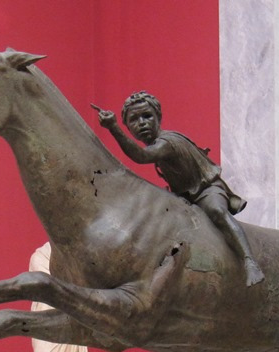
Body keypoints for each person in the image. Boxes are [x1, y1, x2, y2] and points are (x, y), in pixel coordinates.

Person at [93, 92, 264, 286]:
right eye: (134, 119)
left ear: (158, 117)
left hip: (205, 191)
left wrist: (113, 128)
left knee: (217, 211)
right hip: (183, 196)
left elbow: (141, 156)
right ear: (129, 127)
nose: (142, 123)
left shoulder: (167, 142)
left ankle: (249, 262)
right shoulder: (158, 144)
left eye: (147, 116)